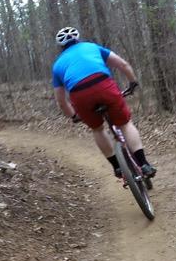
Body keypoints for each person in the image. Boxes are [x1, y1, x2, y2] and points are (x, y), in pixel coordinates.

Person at [50, 27, 157, 179]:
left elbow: (61, 101)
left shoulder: (57, 65)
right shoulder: (92, 47)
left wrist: (73, 115)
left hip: (79, 94)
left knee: (98, 129)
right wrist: (132, 82)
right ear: (78, 39)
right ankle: (144, 164)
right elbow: (123, 65)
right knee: (125, 124)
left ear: (61, 47)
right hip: (103, 85)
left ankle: (117, 167)